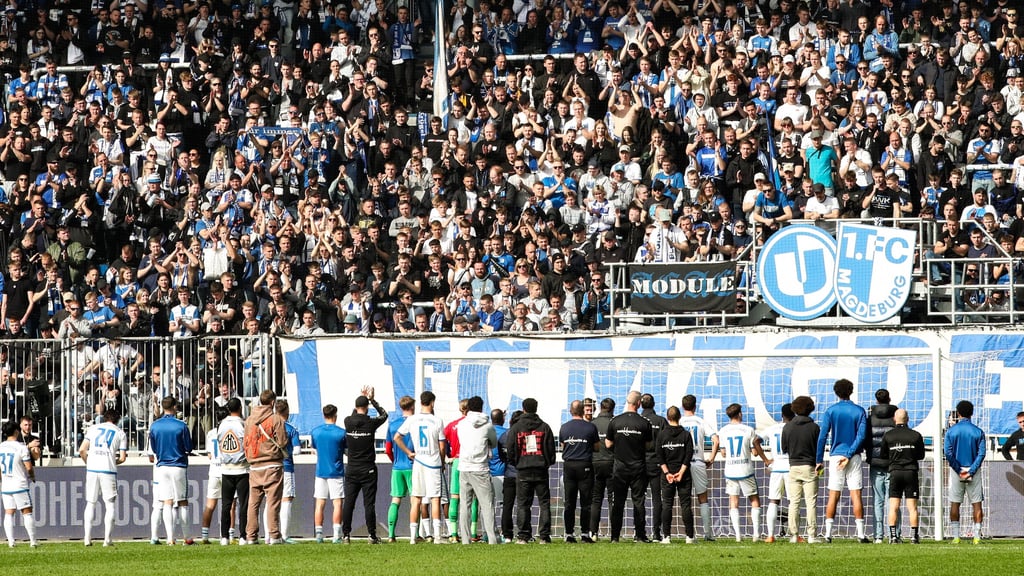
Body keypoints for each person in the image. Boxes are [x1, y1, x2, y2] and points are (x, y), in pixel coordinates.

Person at [816, 378, 869, 543]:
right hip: (853, 456)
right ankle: (860, 535)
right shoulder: (859, 411)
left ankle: (828, 534)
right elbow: (861, 436)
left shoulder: (831, 411)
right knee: (856, 493)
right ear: (851, 391)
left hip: (836, 456)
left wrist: (818, 459)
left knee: (833, 494)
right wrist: (850, 453)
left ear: (836, 392)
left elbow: (822, 436)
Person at [395, 391, 447, 545]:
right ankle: (437, 536)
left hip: (418, 462)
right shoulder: (437, 420)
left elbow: (397, 437)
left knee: (416, 499)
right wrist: (442, 462)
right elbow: (442, 445)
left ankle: (412, 537)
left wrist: (409, 452)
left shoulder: (412, 419)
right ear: (432, 402)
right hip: (432, 462)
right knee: (435, 498)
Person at [506, 397, 556, 544]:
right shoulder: (544, 427)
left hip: (523, 470)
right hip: (540, 469)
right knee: (544, 503)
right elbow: (551, 449)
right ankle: (544, 536)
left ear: (524, 409)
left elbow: (510, 449)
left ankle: (523, 535)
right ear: (536, 408)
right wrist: (546, 462)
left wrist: (517, 462)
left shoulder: (516, 428)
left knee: (523, 504)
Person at [719, 403, 771, 542]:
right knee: (754, 500)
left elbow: (723, 453)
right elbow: (755, 450)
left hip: (730, 470)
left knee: (734, 501)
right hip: (745, 470)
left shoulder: (723, 431)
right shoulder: (748, 430)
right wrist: (765, 459)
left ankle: (737, 536)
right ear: (739, 414)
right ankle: (756, 535)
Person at [606, 390, 653, 543]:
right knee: (638, 501)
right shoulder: (644, 423)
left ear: (627, 402)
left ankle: (614, 537)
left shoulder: (615, 421)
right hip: (638, 468)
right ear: (639, 403)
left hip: (619, 467)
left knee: (618, 502)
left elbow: (608, 444)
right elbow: (648, 445)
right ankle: (639, 535)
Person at [342, 385, 388, 544]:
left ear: (356, 407)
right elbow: (384, 415)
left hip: (352, 469)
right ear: (367, 408)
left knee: (349, 502)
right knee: (369, 503)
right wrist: (372, 399)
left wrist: (362, 400)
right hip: (368, 469)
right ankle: (371, 535)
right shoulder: (370, 422)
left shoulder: (348, 421)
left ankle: (346, 535)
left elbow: (354, 415)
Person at [244, 389, 288, 546]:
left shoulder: (249, 420)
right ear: (272, 402)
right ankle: (274, 535)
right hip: (272, 464)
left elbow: (246, 442)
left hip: (254, 465)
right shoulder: (276, 419)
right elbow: (282, 442)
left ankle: (251, 536)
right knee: (273, 502)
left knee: (253, 503)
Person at [149, 396, 193, 546]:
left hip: (162, 466)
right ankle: (187, 538)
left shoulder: (155, 426)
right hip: (178, 465)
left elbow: (154, 448)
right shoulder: (181, 425)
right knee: (182, 501)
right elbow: (189, 447)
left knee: (167, 501)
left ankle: (170, 538)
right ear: (174, 406)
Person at [79, 408, 127, 547]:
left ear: (104, 418)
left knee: (90, 503)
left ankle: (87, 538)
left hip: (92, 468)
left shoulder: (94, 429)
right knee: (110, 504)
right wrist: (113, 460)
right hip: (108, 470)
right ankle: (107, 539)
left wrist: (89, 462)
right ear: (118, 420)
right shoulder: (120, 433)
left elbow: (82, 450)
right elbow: (122, 458)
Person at [456, 395, 498, 545]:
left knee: (464, 506)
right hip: (480, 468)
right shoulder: (487, 425)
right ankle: (492, 539)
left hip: (464, 467)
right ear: (482, 407)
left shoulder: (461, 424)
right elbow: (493, 443)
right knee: (487, 505)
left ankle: (465, 540)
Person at [879, 409, 925, 544]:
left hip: (895, 472)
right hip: (911, 472)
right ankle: (914, 537)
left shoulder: (888, 436)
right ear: (908, 419)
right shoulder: (915, 435)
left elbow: (883, 455)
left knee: (893, 505)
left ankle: (893, 536)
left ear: (894, 419)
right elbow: (920, 455)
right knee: (912, 507)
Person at [944, 400, 986, 544]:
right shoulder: (978, 432)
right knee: (977, 504)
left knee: (955, 503)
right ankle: (977, 537)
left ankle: (956, 537)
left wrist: (958, 469)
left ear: (959, 413)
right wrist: (972, 470)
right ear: (972, 413)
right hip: (973, 471)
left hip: (957, 471)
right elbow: (981, 454)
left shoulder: (951, 431)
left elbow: (948, 453)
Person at [680, 394, 720, 540]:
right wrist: (712, 458)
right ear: (695, 406)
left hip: (682, 464)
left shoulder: (679, 421)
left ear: (683, 406)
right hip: (698, 462)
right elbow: (716, 440)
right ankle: (708, 534)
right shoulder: (701, 421)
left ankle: (689, 534)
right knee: (702, 498)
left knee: (685, 500)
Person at [559, 399, 599, 543]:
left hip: (569, 466)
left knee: (569, 502)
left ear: (570, 411)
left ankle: (569, 534)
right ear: (583, 411)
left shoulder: (564, 428)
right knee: (586, 502)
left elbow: (563, 446)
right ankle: (584, 533)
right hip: (585, 466)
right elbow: (597, 447)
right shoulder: (590, 427)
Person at [783, 396, 820, 544]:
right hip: (809, 466)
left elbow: (784, 448)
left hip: (793, 466)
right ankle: (811, 535)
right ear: (810, 408)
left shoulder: (788, 427)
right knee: (811, 502)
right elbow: (818, 447)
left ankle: (793, 535)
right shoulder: (815, 427)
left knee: (794, 502)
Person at [656, 405, 695, 544]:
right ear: (679, 417)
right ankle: (690, 537)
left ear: (667, 418)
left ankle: (666, 536)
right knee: (685, 505)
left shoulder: (661, 435)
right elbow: (688, 455)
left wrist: (667, 473)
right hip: (683, 475)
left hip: (668, 476)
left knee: (667, 504)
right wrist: (681, 472)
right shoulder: (685, 434)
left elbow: (659, 456)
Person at [311, 404, 347, 543]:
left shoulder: (316, 432)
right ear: (335, 416)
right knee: (337, 503)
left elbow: (315, 448)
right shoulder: (341, 433)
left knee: (320, 503)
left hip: (321, 471)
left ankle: (319, 534)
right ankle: (336, 534)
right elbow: (346, 450)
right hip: (336, 472)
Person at [867, 388, 898, 543]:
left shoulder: (870, 417)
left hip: (876, 462)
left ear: (877, 400)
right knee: (893, 499)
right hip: (893, 462)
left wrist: (869, 455)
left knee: (877, 500)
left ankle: (878, 536)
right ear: (889, 399)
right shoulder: (896, 415)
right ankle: (895, 534)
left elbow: (866, 438)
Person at [0, 420, 37, 547]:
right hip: (19, 484)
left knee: (8, 512)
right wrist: (32, 476)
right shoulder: (21, 447)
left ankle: (11, 542)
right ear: (16, 431)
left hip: (6, 485)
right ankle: (33, 541)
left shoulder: (1, 447)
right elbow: (29, 467)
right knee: (27, 512)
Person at [217, 398, 248, 546]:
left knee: (226, 505)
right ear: (240, 408)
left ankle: (224, 537)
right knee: (243, 504)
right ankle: (243, 536)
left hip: (226, 468)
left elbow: (220, 442)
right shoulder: (242, 424)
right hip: (242, 468)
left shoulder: (221, 425)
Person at [761, 403, 792, 543]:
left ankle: (770, 535)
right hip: (791, 467)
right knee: (794, 501)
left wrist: (766, 459)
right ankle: (794, 535)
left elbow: (755, 441)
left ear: (782, 415)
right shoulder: (794, 428)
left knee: (773, 501)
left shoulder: (772, 429)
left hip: (776, 467)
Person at [386, 395, 416, 542]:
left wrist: (395, 461)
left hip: (397, 467)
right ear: (412, 407)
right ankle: (415, 535)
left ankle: (391, 535)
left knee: (395, 499)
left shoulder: (392, 425)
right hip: (412, 466)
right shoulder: (416, 423)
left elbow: (387, 449)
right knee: (415, 500)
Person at [639, 393, 667, 541]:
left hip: (640, 463)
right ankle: (656, 533)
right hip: (657, 464)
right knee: (657, 499)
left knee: (639, 499)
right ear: (654, 404)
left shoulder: (637, 420)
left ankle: (640, 533)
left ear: (640, 404)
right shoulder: (661, 421)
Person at [589, 397, 615, 541]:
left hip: (595, 463)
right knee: (613, 499)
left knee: (596, 499)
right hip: (611, 463)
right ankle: (613, 534)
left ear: (600, 407)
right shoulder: (615, 423)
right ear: (612, 409)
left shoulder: (593, 424)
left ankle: (593, 533)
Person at [275, 399, 301, 543]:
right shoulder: (291, 429)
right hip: (286, 467)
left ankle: (269, 535)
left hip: (271, 467)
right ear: (287, 412)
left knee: (271, 500)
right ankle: (284, 535)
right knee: (286, 499)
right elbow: (297, 450)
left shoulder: (269, 427)